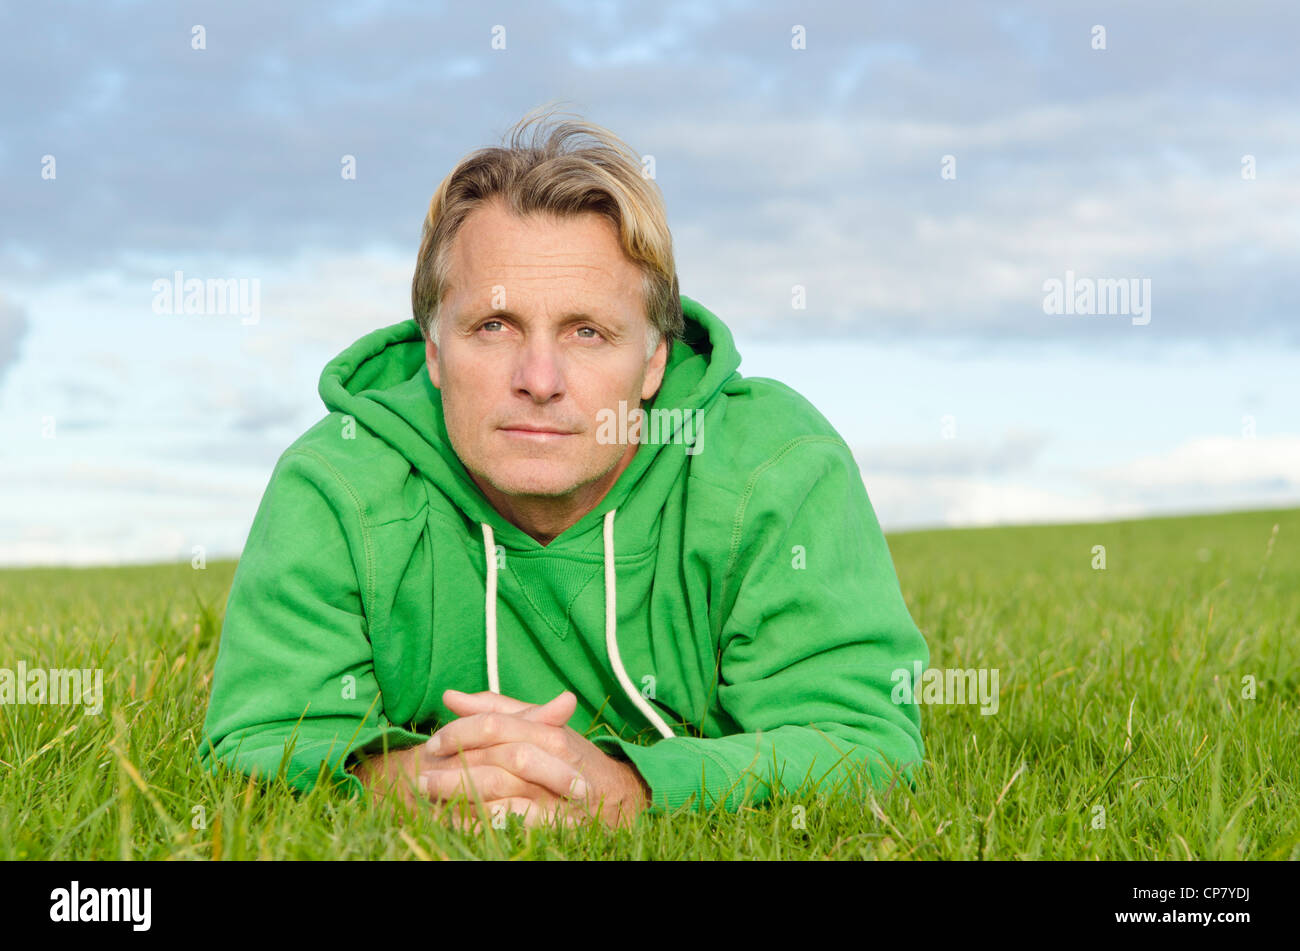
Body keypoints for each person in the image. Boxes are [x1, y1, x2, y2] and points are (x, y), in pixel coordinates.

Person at [198, 106, 930, 832]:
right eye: (494, 326)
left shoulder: (776, 468)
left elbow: (862, 741)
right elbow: (256, 741)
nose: (539, 378)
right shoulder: (335, 485)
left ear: (653, 361)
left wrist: (631, 787)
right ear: (432, 350)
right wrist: (412, 779)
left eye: (587, 331)